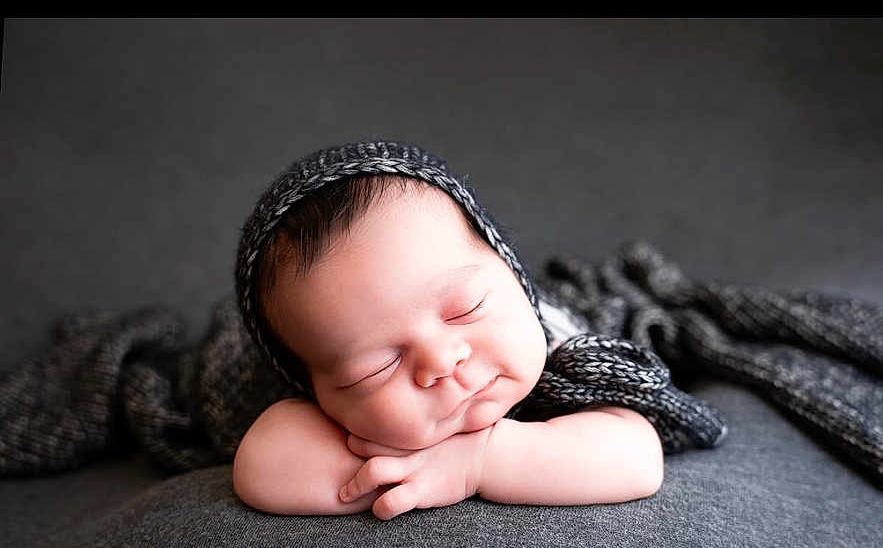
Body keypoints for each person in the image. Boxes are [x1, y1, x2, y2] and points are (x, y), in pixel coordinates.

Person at [232, 146, 664, 521]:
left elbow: (638, 456)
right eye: (378, 367)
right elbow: (264, 466)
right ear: (318, 392)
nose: (442, 360)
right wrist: (416, 467)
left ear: (512, 274)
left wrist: (480, 461)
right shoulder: (315, 388)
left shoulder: (567, 355)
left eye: (466, 309)